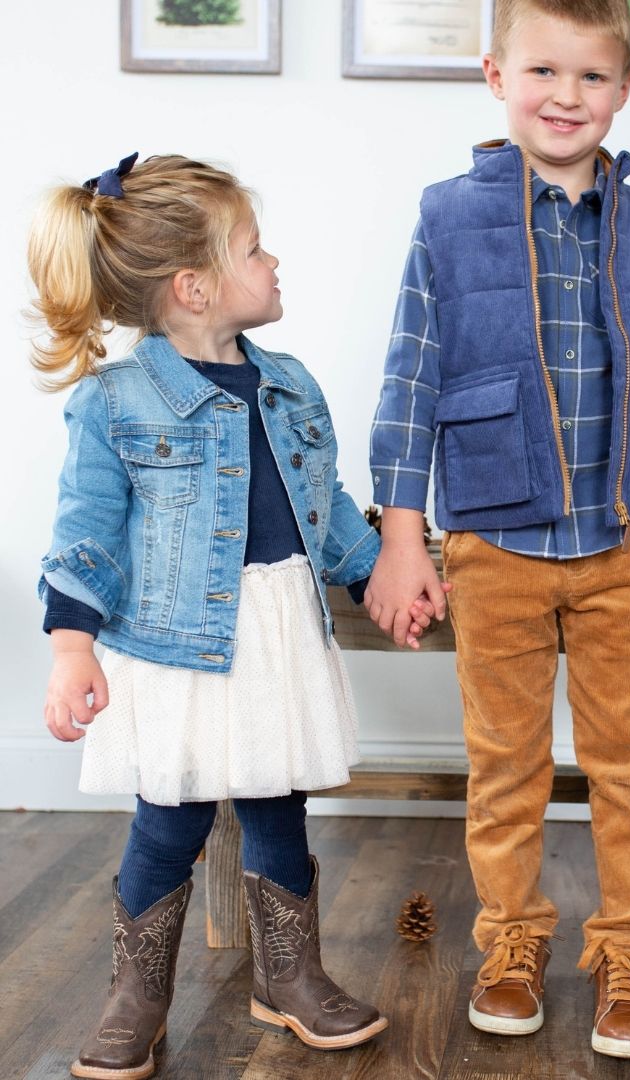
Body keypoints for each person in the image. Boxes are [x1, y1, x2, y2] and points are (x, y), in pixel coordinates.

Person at [366, 0, 630, 1060]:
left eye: (592, 78)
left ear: (624, 90)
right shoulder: (447, 218)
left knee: (629, 760)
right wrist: (404, 537)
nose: (567, 97)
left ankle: (628, 955)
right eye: (544, 70)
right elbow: (411, 382)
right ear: (495, 74)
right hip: (493, 543)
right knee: (506, 765)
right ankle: (510, 944)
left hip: (625, 542)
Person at [29, 153, 432, 1077]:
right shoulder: (117, 403)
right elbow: (84, 531)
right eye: (254, 249)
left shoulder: (289, 382)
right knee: (168, 819)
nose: (274, 261)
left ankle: (290, 978)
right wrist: (70, 647)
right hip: (171, 648)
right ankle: (137, 994)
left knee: (276, 806)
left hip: (277, 632)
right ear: (195, 286)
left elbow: (323, 510)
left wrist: (384, 576)